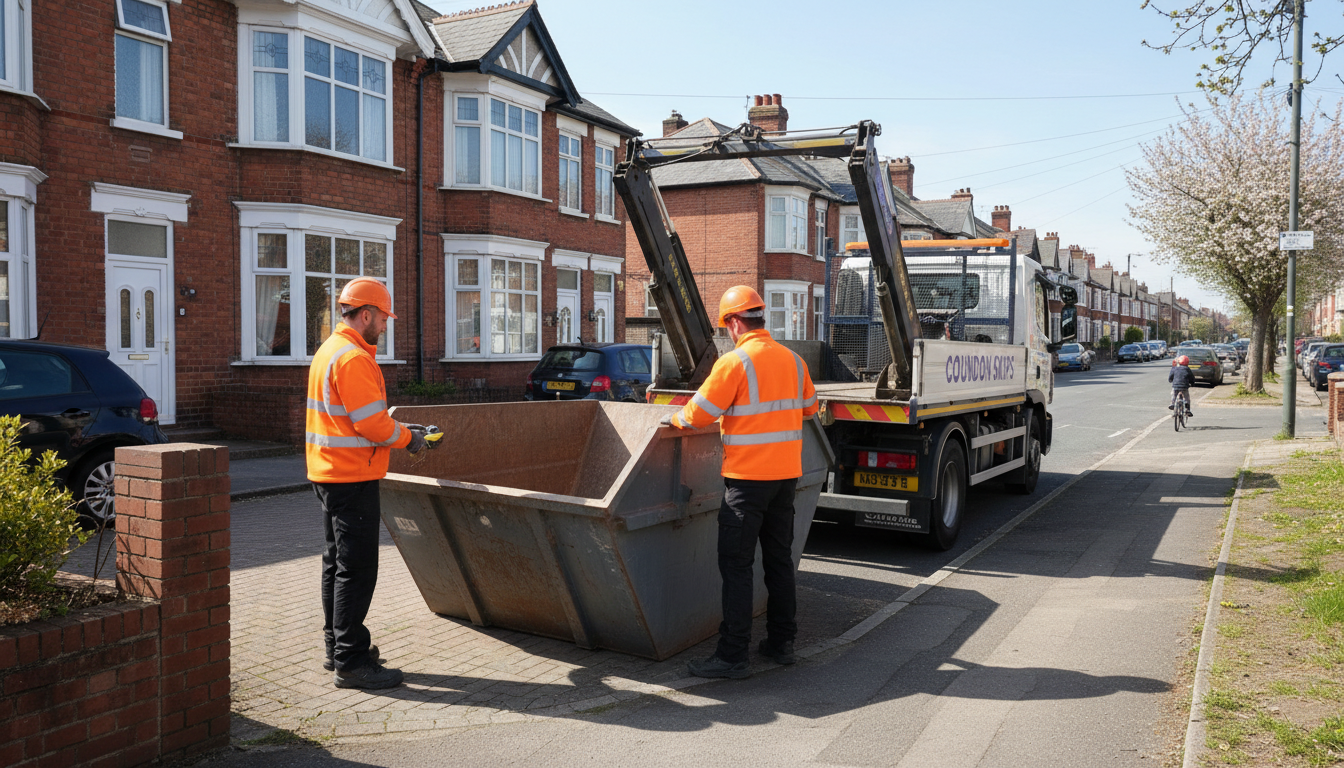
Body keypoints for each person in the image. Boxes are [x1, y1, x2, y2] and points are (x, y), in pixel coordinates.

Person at [662, 285, 818, 679]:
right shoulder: (794, 361)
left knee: (736, 567)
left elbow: (700, 413)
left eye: (725, 325)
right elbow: (809, 408)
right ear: (760, 318)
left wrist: (675, 420)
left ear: (733, 322)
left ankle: (732, 655)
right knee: (780, 562)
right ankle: (782, 643)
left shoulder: (734, 363)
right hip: (785, 480)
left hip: (746, 484)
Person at [306, 277, 427, 690]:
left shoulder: (329, 350)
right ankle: (352, 662)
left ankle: (336, 647)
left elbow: (355, 418)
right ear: (366, 314)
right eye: (383, 318)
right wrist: (409, 438)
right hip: (352, 476)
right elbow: (371, 423)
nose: (385, 326)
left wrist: (398, 428)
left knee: (336, 564)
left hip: (329, 472)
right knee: (357, 571)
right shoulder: (353, 357)